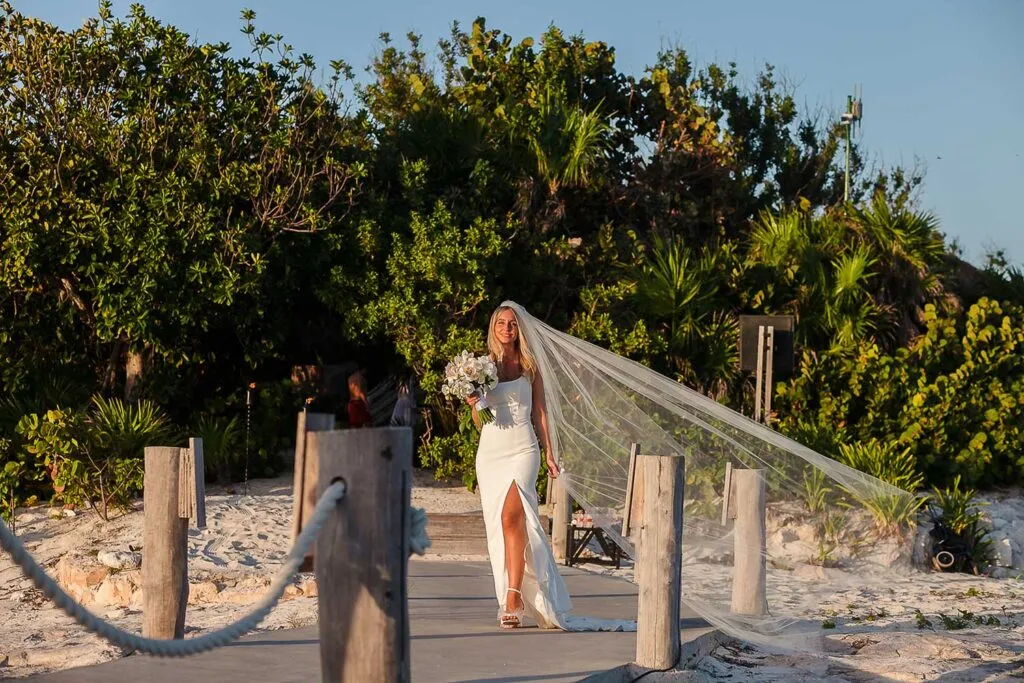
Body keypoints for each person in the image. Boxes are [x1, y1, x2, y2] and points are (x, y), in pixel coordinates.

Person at [467, 305, 571, 630]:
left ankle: (513, 596)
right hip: (491, 450)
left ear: (519, 328)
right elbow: (477, 421)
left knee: (512, 517)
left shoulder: (530, 365)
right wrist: (474, 404)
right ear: (493, 327)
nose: (507, 328)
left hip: (524, 447)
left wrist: (550, 452)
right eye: (501, 322)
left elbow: (540, 411)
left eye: (512, 323)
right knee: (500, 525)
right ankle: (511, 594)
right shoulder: (480, 366)